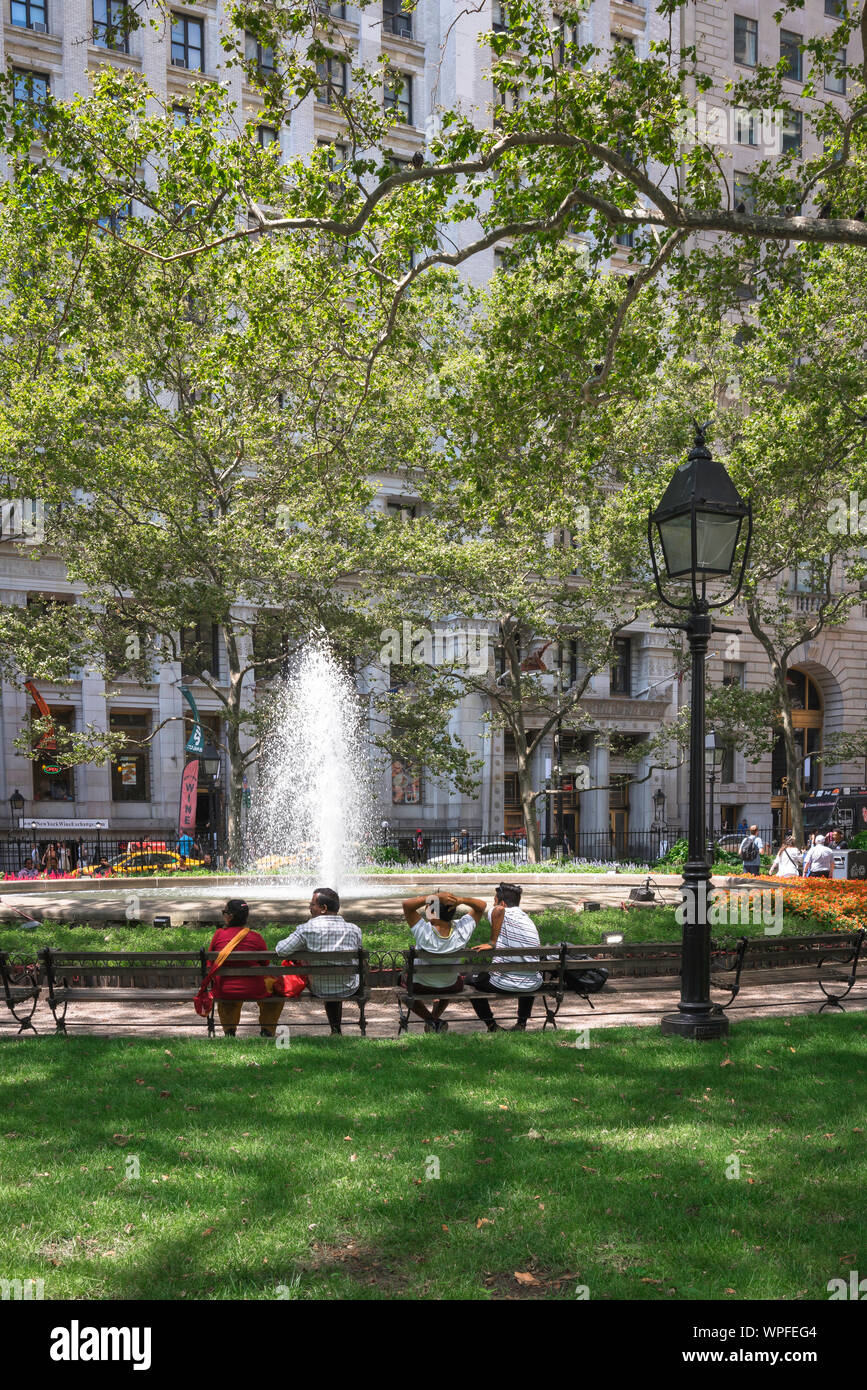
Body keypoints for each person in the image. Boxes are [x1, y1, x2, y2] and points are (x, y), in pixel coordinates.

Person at [275, 888, 362, 1035]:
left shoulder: (306, 929)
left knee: (323, 976)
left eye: (312, 905)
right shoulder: (354, 930)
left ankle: (335, 1030)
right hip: (349, 986)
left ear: (323, 908)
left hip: (319, 987)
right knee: (336, 975)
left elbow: (281, 950)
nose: (309, 908)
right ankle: (336, 1030)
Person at [400, 889, 485, 1032]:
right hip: (450, 985)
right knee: (453, 980)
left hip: (419, 985)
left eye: (428, 907)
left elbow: (407, 905)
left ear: (432, 911)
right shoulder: (462, 930)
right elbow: (481, 906)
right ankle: (435, 1021)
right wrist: (461, 899)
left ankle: (431, 1020)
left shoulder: (424, 931)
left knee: (402, 985)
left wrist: (433, 897)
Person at [468, 882, 542, 1032]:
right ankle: (521, 1023)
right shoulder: (528, 919)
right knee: (526, 971)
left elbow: (499, 910)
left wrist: (492, 942)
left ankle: (491, 1025)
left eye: (494, 900)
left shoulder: (498, 910)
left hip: (503, 984)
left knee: (469, 980)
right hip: (533, 983)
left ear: (501, 902)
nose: (493, 904)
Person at [207, 899, 285, 1037]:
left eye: (224, 912)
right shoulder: (256, 937)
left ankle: (229, 1031)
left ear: (230, 916)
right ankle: (267, 1029)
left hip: (225, 990)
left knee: (226, 985)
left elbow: (210, 964)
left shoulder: (219, 935)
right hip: (255, 989)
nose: (223, 915)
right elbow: (265, 964)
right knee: (277, 990)